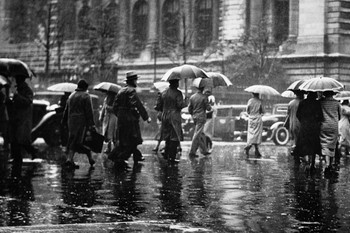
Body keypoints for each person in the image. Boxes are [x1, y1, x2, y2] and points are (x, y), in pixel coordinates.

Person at [113, 71, 151, 167]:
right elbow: (136, 104)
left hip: (121, 119)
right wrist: (145, 117)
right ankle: (120, 157)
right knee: (133, 138)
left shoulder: (121, 91)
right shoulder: (131, 91)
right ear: (132, 81)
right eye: (135, 80)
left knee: (125, 139)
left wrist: (120, 115)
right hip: (130, 119)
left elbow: (115, 107)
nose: (136, 82)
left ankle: (136, 155)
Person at [62, 79, 96, 169]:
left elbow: (66, 110)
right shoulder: (86, 96)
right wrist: (91, 124)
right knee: (84, 140)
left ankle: (71, 159)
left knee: (73, 139)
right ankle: (88, 159)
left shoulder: (71, 96)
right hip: (81, 121)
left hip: (71, 121)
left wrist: (64, 121)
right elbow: (89, 111)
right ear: (85, 87)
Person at [155, 79, 186, 162]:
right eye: (177, 82)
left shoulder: (163, 93)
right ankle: (172, 157)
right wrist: (185, 101)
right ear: (175, 83)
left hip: (165, 116)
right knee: (175, 136)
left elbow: (158, 106)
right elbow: (180, 105)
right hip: (174, 116)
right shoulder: (178, 93)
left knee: (167, 136)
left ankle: (166, 154)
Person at [10, 75, 34, 176]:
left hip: (23, 119)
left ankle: (32, 153)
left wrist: (17, 96)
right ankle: (16, 159)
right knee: (14, 140)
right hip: (16, 118)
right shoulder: (18, 89)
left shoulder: (27, 90)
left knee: (22, 140)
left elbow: (28, 101)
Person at [295, 91, 323, 171]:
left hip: (305, 126)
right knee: (314, 145)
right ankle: (313, 163)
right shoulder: (317, 103)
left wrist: (303, 121)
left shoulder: (302, 103)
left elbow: (298, 114)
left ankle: (307, 162)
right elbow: (320, 116)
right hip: (314, 127)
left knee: (305, 145)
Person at [319, 91, 341, 175]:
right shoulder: (337, 103)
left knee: (324, 145)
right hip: (334, 126)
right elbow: (339, 116)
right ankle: (330, 164)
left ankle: (327, 164)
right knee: (332, 145)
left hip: (324, 125)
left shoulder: (321, 102)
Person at [188, 84, 212, 157]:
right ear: (203, 88)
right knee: (197, 134)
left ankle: (204, 150)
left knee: (200, 133)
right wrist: (209, 103)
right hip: (201, 117)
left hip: (195, 117)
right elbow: (208, 108)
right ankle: (192, 151)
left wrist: (193, 114)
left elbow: (189, 109)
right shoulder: (204, 97)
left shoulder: (192, 97)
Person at [244, 92, 264, 157]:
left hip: (251, 119)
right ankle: (253, 148)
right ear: (258, 94)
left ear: (253, 94)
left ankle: (254, 149)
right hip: (258, 119)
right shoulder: (260, 101)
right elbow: (262, 111)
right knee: (257, 135)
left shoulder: (250, 101)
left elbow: (247, 111)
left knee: (251, 134)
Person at [286, 90, 304, 154]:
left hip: (292, 124)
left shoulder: (291, 103)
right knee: (301, 141)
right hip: (300, 125)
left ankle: (296, 156)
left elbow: (288, 114)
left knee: (295, 141)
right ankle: (300, 155)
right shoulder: (302, 102)